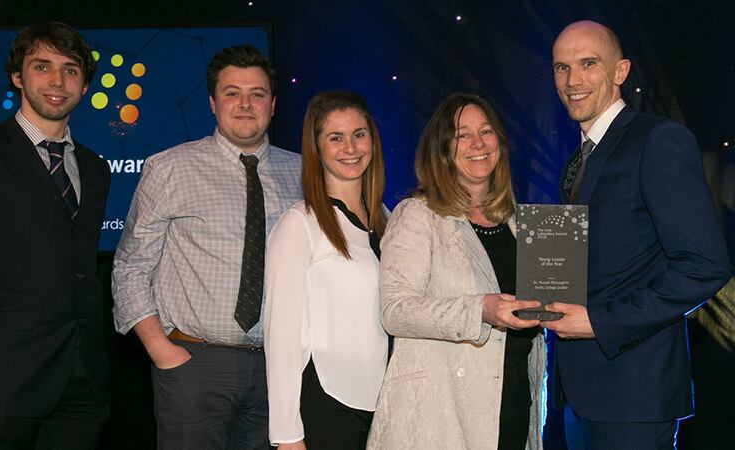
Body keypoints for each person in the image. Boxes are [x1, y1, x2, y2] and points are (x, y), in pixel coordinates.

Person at [544, 20, 732, 450]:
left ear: (620, 71)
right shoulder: (576, 161)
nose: (572, 80)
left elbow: (706, 266)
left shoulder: (657, 140)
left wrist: (599, 321)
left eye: (588, 63)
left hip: (634, 396)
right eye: (561, 67)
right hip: (579, 394)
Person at [111, 44, 302, 449]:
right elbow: (130, 267)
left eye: (257, 94)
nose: (245, 104)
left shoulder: (305, 173)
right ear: (214, 103)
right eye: (232, 93)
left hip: (281, 367)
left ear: (274, 104)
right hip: (193, 364)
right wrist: (161, 349)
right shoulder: (170, 168)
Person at [0, 22, 111, 449]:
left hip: (84, 383)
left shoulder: (94, 168)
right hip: (0, 380)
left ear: (85, 86)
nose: (57, 81)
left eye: (71, 70)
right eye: (42, 66)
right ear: (18, 77)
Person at [367, 93, 545, 450]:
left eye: (487, 131)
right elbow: (395, 312)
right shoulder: (418, 214)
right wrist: (479, 309)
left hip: (512, 404)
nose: (478, 143)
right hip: (442, 413)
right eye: (463, 134)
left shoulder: (518, 223)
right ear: (443, 149)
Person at [264, 91, 388, 449]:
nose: (350, 147)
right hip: (328, 404)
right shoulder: (299, 223)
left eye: (359, 134)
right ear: (316, 147)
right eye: (335, 137)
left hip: (385, 406)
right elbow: (281, 337)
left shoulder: (389, 221)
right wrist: (287, 436)